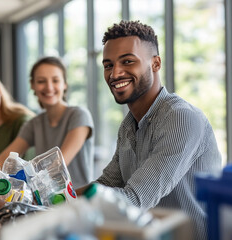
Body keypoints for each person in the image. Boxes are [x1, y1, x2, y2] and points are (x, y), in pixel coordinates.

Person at [75, 20, 222, 239]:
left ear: (155, 63)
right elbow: (106, 185)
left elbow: (134, 200)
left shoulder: (180, 117)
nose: (115, 74)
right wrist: (54, 198)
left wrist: (68, 204)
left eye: (127, 61)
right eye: (108, 65)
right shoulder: (128, 125)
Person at [0, 56, 94, 189]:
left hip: (77, 200)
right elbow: (4, 158)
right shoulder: (34, 124)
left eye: (55, 80)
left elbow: (58, 166)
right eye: (41, 81)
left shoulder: (79, 115)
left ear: (64, 84)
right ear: (32, 85)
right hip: (47, 202)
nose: (49, 87)